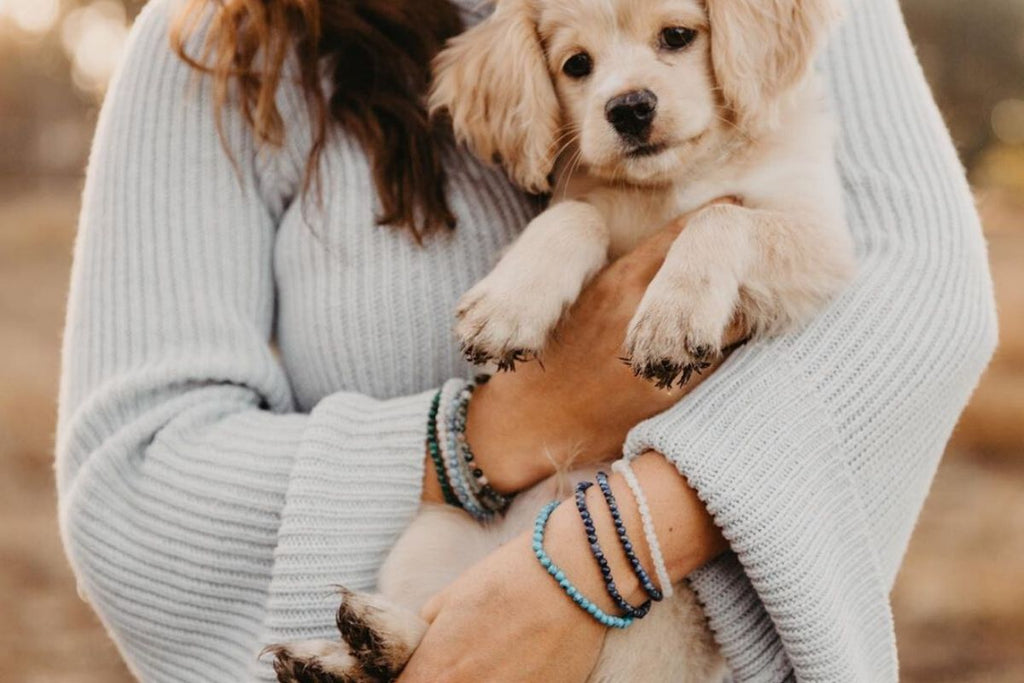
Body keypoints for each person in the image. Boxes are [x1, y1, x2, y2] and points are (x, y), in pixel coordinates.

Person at [55, 0, 997, 680]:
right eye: (578, 65)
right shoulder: (217, 42)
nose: (625, 84)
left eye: (675, 36)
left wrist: (594, 561)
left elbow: (922, 299)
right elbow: (133, 488)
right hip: (432, 593)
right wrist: (504, 426)